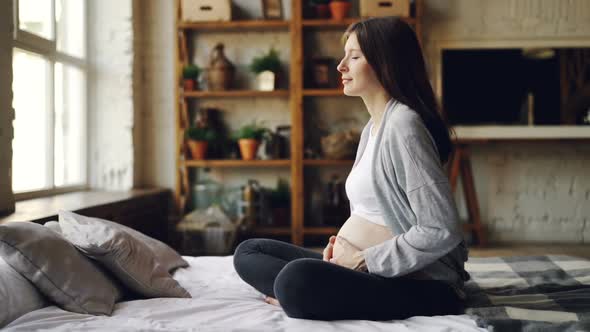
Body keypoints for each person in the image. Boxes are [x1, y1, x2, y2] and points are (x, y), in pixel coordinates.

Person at [232, 16, 470, 321]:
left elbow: (441, 229)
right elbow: (371, 212)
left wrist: (362, 259)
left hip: (419, 282)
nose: (340, 66)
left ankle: (303, 292)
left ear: (386, 63)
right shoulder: (374, 126)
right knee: (250, 252)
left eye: (354, 57)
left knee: (296, 280)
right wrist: (341, 256)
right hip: (362, 270)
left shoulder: (404, 125)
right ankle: (312, 290)